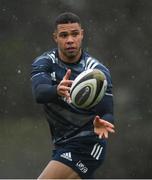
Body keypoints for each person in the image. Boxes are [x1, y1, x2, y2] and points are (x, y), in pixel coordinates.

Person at [31, 12, 115, 179]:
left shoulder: (97, 72)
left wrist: (104, 123)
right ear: (55, 37)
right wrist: (56, 90)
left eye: (74, 34)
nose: (70, 40)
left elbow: (108, 112)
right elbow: (39, 93)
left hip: (87, 145)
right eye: (64, 35)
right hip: (61, 145)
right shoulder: (45, 62)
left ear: (82, 35)